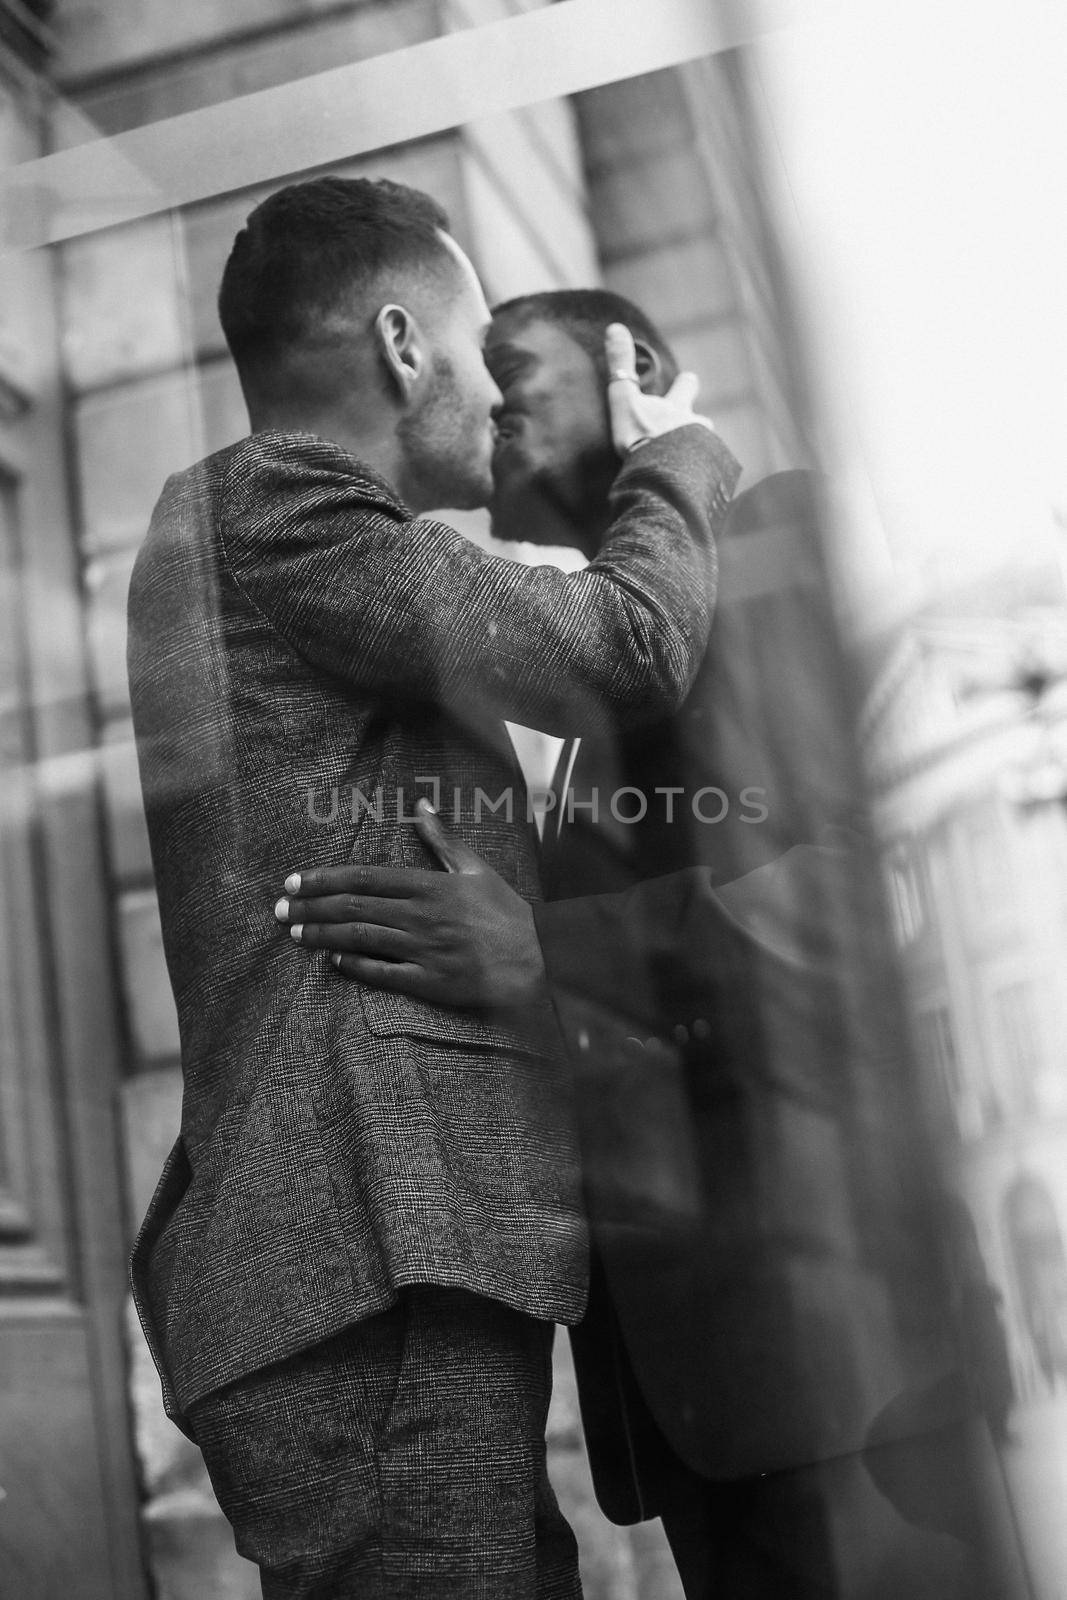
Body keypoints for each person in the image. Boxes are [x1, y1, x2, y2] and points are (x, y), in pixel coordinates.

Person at [278, 290, 999, 1598]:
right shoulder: (608, 650)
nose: (488, 403)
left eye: (514, 371)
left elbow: (847, 902)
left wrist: (552, 954)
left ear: (636, 372)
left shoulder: (769, 534)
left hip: (853, 1387)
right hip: (713, 1406)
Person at [126, 179, 738, 1600]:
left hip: (376, 1257)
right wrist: (685, 455)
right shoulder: (277, 506)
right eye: (477, 353)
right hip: (370, 1252)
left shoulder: (278, 538)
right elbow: (626, 643)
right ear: (404, 345)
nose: (494, 402)